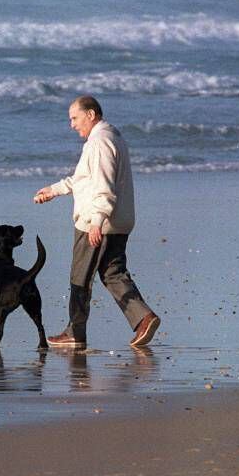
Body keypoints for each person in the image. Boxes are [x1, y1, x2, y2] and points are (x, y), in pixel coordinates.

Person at [33, 95, 161, 348]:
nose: (72, 124)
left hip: (99, 220)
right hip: (118, 219)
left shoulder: (99, 142)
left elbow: (103, 186)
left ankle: (74, 333)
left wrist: (96, 221)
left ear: (90, 114)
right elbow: (84, 179)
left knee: (80, 276)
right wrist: (53, 190)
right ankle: (144, 318)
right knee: (113, 273)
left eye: (74, 118)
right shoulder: (110, 138)